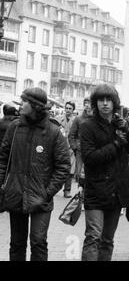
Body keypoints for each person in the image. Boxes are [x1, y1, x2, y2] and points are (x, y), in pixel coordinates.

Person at [0, 88, 71, 261]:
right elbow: (3, 159)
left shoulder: (53, 132)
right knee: (17, 242)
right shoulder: (14, 128)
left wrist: (47, 192)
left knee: (38, 242)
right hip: (16, 194)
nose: (21, 104)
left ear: (36, 106)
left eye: (24, 101)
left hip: (41, 198)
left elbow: (63, 166)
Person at [79, 84, 129, 261]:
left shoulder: (120, 125)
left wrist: (128, 130)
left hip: (116, 191)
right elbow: (90, 157)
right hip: (96, 190)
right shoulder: (87, 126)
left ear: (114, 103)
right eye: (100, 100)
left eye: (108, 100)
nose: (105, 104)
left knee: (107, 240)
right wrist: (116, 145)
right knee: (93, 237)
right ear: (95, 103)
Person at [68, 97, 92, 188]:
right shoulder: (78, 119)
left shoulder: (96, 120)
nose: (87, 105)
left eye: (89, 103)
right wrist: (75, 147)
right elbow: (71, 135)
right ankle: (81, 194)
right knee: (80, 174)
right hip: (80, 151)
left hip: (93, 151)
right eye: (85, 103)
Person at [56, 101, 77, 198]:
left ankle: (67, 190)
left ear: (73, 110)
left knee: (70, 170)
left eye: (70, 108)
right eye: (67, 108)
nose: (68, 110)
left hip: (71, 149)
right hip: (60, 147)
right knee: (58, 168)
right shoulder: (58, 119)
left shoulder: (76, 121)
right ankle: (55, 188)